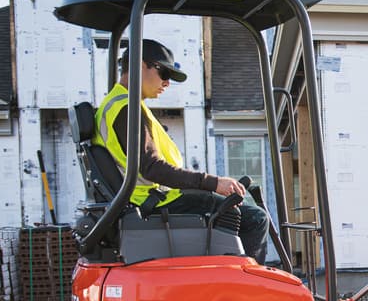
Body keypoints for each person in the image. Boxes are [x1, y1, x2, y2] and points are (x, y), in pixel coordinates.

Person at [93, 39, 269, 262]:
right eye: (163, 73)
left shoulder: (116, 105)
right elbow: (152, 168)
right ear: (141, 65)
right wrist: (214, 183)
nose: (167, 83)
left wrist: (212, 187)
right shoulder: (126, 109)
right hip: (154, 205)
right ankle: (246, 290)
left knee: (226, 205)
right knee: (256, 219)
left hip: (150, 201)